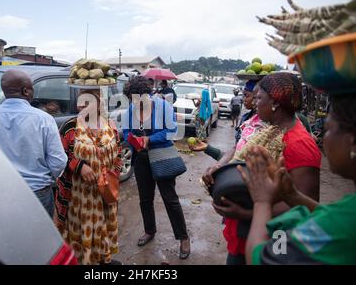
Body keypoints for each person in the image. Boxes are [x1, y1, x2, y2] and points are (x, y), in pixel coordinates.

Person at [202, 72, 321, 265]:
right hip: (250, 230)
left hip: (273, 238)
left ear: (274, 102)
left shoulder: (299, 143)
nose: (254, 103)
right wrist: (220, 168)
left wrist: (246, 213)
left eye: (259, 98)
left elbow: (305, 205)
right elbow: (242, 157)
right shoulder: (270, 130)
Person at [241, 93, 356, 264]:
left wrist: (262, 202)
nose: (322, 139)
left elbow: (259, 258)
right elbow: (330, 216)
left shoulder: (300, 142)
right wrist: (292, 195)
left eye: (328, 128)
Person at [0, 70, 67, 217]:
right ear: (25, 91)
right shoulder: (44, 119)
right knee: (39, 239)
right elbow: (58, 162)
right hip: (37, 193)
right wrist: (46, 180)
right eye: (32, 89)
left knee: (4, 238)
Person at [122, 76, 190, 259]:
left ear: (148, 95)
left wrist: (150, 139)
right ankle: (149, 230)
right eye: (132, 100)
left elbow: (171, 131)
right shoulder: (130, 110)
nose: (136, 103)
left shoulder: (163, 107)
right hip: (141, 159)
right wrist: (132, 138)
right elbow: (126, 131)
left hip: (162, 156)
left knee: (170, 199)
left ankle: (183, 237)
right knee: (145, 199)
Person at [54, 89, 122, 265]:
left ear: (99, 104)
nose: (80, 106)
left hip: (104, 194)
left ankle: (101, 258)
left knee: (103, 227)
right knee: (80, 231)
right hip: (79, 197)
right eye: (80, 102)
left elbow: (119, 156)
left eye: (87, 102)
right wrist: (78, 166)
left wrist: (112, 176)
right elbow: (59, 156)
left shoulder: (110, 126)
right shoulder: (70, 127)